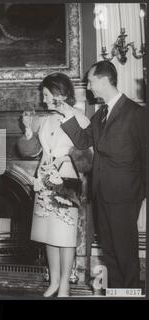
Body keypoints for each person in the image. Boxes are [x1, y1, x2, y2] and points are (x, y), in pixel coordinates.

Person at [60, 61, 145, 289]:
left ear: (104, 80)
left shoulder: (136, 113)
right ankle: (117, 292)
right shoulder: (100, 115)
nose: (88, 87)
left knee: (124, 252)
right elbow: (82, 140)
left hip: (125, 195)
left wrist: (141, 193)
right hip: (102, 193)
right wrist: (67, 114)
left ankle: (130, 293)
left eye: (91, 81)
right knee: (109, 252)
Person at [22, 73, 91, 297]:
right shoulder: (47, 119)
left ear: (59, 94)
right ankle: (53, 281)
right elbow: (32, 151)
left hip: (67, 183)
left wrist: (67, 158)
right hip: (44, 180)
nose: (43, 100)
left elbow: (87, 158)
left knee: (64, 236)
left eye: (46, 95)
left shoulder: (79, 118)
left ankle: (65, 285)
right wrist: (28, 132)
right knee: (48, 235)